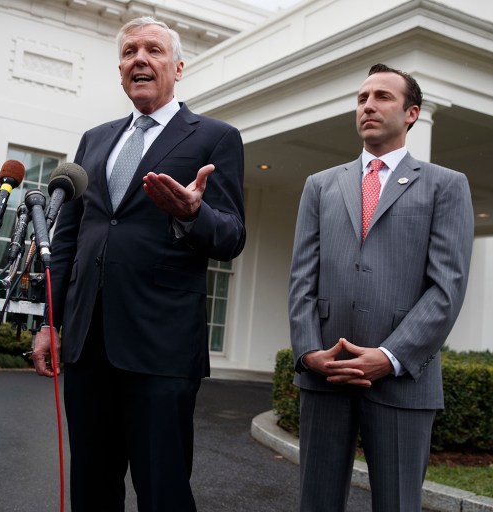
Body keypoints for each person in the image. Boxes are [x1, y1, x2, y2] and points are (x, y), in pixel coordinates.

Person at [32, 16, 245, 512]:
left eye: (152, 50)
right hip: (88, 343)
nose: (140, 59)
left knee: (162, 488)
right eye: (129, 52)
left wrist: (194, 214)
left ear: (177, 66)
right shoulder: (95, 139)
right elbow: (69, 238)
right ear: (121, 69)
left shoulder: (215, 137)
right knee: (91, 485)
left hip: (161, 346)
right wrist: (50, 320)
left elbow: (232, 235)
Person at [288, 63, 474, 512]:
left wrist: (389, 357)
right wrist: (310, 352)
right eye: (361, 98)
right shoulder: (320, 185)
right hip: (324, 375)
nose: (368, 105)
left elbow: (446, 287)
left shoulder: (446, 186)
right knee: (316, 503)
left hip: (402, 380)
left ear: (412, 113)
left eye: (382, 97)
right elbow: (301, 279)